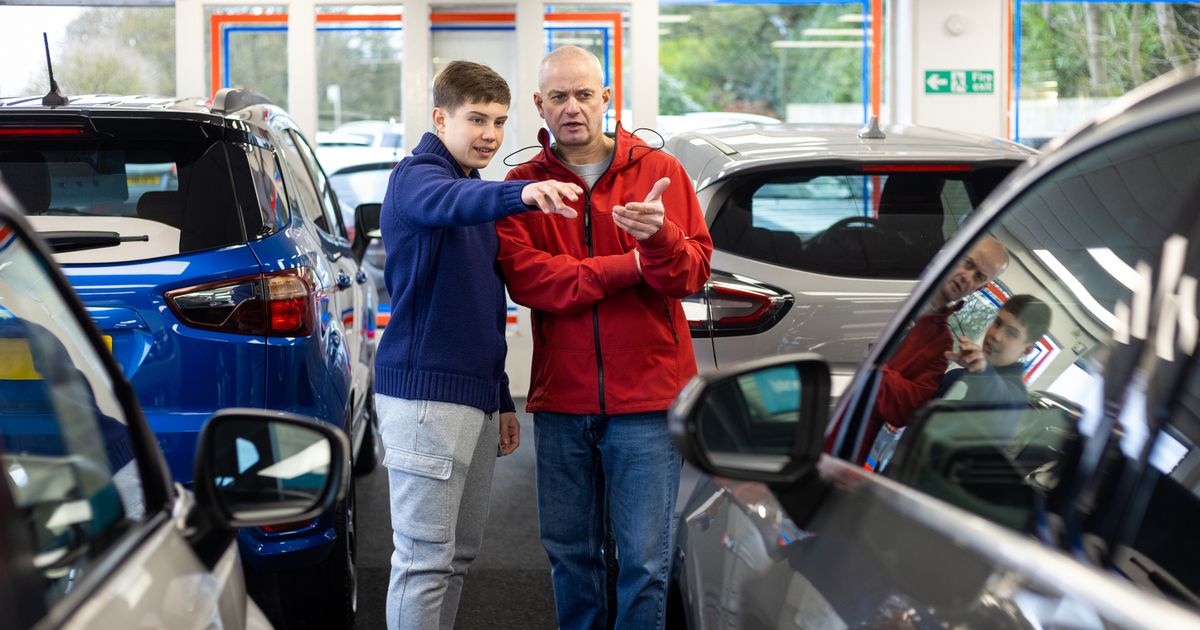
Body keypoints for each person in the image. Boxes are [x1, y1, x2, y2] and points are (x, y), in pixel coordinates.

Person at [495, 46, 712, 629]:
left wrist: (662, 238)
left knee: (644, 562)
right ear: (540, 105)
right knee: (572, 558)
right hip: (563, 400)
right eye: (559, 97)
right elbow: (535, 283)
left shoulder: (661, 174)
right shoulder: (523, 185)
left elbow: (691, 275)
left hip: (647, 401)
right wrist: (633, 266)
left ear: (606, 100)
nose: (573, 109)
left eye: (584, 95)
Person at [372, 60, 581, 630]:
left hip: (472, 399)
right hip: (424, 403)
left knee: (455, 559)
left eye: (499, 121)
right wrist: (523, 192)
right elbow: (448, 203)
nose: (490, 133)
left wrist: (501, 398)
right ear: (441, 118)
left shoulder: (468, 186)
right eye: (477, 119)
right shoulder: (418, 176)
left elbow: (484, 307)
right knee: (422, 564)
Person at [857, 236, 1009, 468]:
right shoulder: (884, 284)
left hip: (846, 441)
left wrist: (868, 369)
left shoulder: (941, 345)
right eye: (968, 263)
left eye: (978, 277)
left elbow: (906, 409)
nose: (967, 277)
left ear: (981, 287)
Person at [937, 294, 1052, 405]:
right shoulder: (956, 375)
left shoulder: (1015, 400)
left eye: (1011, 333)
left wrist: (983, 372)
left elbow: (1001, 407)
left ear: (1026, 350)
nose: (996, 335)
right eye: (998, 323)